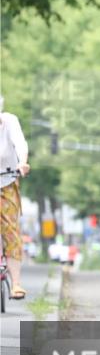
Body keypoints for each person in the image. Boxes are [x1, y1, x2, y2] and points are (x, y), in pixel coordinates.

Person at [0, 94, 31, 300]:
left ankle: (16, 284)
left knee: (11, 231)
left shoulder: (10, 121)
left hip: (6, 181)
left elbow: (20, 143)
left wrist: (22, 162)